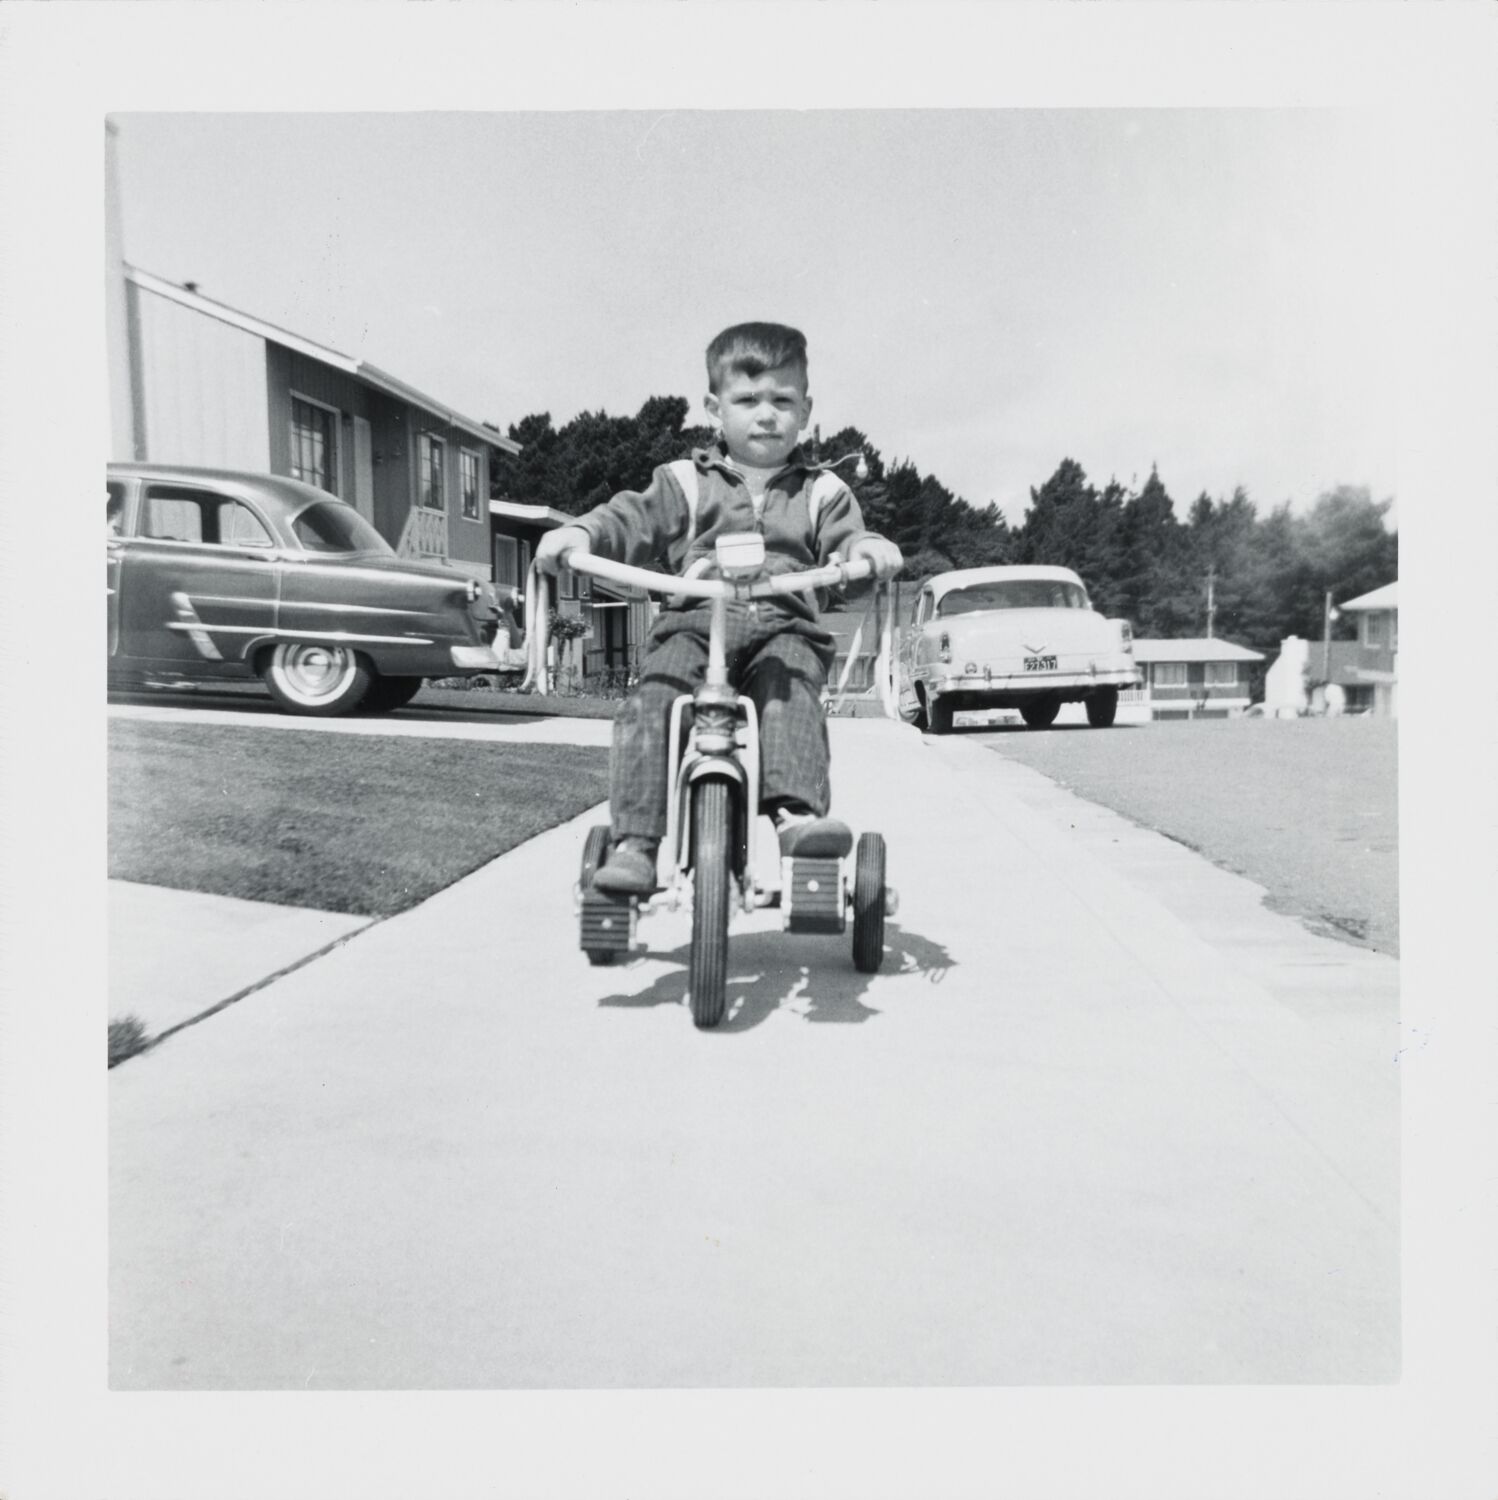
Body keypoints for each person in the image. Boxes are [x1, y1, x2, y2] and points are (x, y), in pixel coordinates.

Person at [534, 321, 902, 894]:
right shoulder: (684, 481)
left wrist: (865, 549)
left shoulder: (822, 491)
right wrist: (583, 533)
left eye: (782, 401)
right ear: (714, 407)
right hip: (694, 623)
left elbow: (846, 543)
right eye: (747, 399)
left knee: (790, 696)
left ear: (806, 410)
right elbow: (630, 518)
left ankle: (797, 820)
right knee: (652, 701)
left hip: (785, 626)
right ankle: (634, 844)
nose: (766, 414)